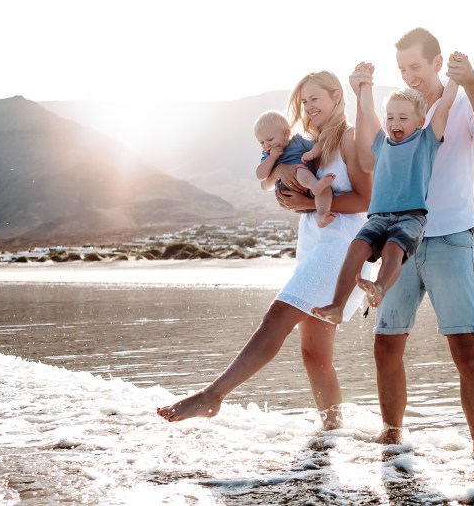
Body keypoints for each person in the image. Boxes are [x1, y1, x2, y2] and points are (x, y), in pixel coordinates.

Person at [158, 71, 372, 429]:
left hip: (343, 245)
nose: (308, 106)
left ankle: (213, 396)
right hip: (316, 243)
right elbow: (288, 186)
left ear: (337, 97)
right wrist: (291, 197)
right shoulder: (310, 142)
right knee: (314, 354)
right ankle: (333, 432)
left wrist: (304, 204)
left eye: (315, 98)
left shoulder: (350, 137)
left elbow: (366, 199)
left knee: (276, 317)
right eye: (303, 101)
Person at [371, 28, 474, 455]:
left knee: (466, 349)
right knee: (386, 343)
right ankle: (392, 442)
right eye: (402, 69)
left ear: (436, 62)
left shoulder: (462, 104)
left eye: (416, 66)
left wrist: (473, 83)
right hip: (399, 244)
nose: (410, 76)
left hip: (450, 239)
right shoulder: (398, 114)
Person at [311, 62, 458, 324]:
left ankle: (379, 286)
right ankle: (337, 305)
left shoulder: (426, 141)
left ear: (420, 121)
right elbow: (367, 110)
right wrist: (365, 83)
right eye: (390, 117)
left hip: (410, 217)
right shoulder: (381, 141)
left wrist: (456, 80)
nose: (394, 123)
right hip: (378, 217)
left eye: (403, 118)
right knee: (356, 248)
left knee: (393, 249)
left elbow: (444, 106)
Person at [254, 110, 336, 228]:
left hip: (308, 190)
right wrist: (272, 158)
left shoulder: (298, 141)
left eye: (270, 139)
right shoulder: (267, 154)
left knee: (326, 188)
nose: (267, 145)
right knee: (298, 170)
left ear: (286, 134)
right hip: (288, 190)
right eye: (262, 142)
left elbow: (318, 146)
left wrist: (312, 153)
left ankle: (322, 216)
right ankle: (315, 185)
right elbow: (260, 175)